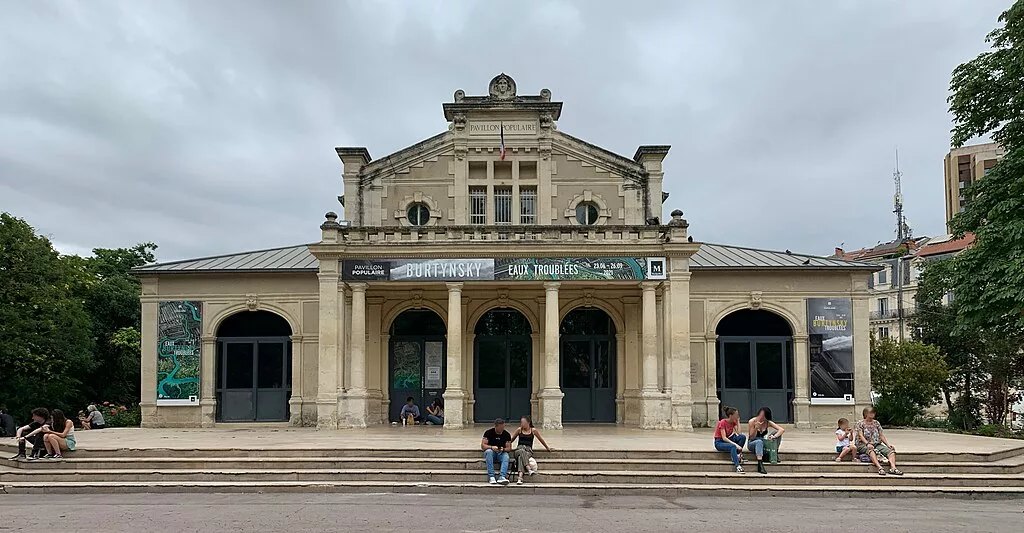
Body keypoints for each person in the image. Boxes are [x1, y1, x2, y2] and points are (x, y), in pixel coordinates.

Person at [856, 406, 903, 476]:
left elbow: (881, 435)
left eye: (873, 413)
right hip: (863, 444)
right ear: (865, 414)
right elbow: (860, 435)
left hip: (876, 443)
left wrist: (888, 445)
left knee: (891, 452)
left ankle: (893, 468)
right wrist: (867, 443)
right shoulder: (860, 423)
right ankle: (880, 468)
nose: (872, 414)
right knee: (871, 451)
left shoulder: (876, 423)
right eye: (870, 413)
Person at [510, 415, 552, 485]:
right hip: (519, 449)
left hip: (528, 450)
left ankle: (520, 478)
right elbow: (511, 440)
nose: (522, 424)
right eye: (521, 423)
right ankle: (528, 468)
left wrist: (547, 448)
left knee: (521, 457)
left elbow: (541, 439)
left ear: (528, 423)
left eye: (523, 422)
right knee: (521, 451)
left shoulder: (533, 430)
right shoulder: (519, 430)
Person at [746, 406, 785, 474]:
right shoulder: (752, 421)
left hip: (763, 441)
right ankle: (760, 463)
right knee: (759, 442)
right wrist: (756, 428)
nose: (761, 418)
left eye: (763, 416)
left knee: (776, 433)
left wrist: (774, 436)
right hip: (753, 442)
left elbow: (781, 429)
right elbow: (751, 437)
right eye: (760, 415)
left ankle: (775, 452)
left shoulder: (767, 422)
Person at [714, 406, 746, 473]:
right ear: (731, 416)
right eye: (736, 415)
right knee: (733, 446)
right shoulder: (722, 422)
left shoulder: (733, 422)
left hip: (728, 439)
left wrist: (738, 422)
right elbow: (724, 438)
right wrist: (736, 445)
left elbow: (739, 433)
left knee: (742, 437)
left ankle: (737, 455)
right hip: (719, 442)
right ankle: (738, 466)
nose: (738, 416)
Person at [481, 418, 513, 485]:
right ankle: (491, 476)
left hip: (501, 452)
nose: (502, 429)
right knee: (489, 452)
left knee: (506, 456)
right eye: (500, 427)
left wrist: (503, 449)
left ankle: (502, 476)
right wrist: (492, 447)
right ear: (496, 426)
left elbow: (509, 448)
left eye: (503, 427)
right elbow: (483, 446)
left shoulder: (506, 434)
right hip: (491, 452)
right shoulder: (488, 433)